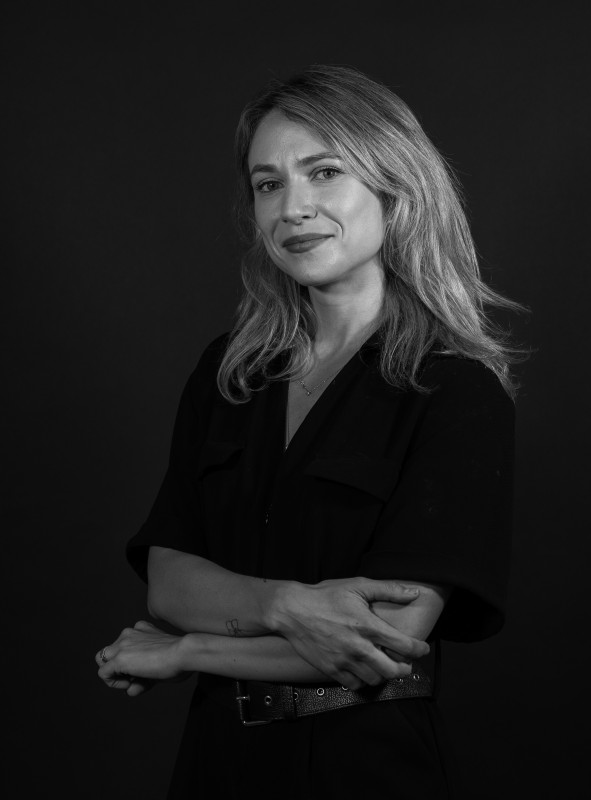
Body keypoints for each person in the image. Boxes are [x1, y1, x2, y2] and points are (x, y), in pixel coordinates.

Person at [95, 64, 521, 799]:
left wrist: (190, 648)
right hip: (217, 767)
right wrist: (284, 607)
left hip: (369, 770)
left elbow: (384, 640)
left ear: (397, 187)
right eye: (268, 184)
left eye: (324, 172)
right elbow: (168, 582)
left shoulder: (456, 392)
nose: (293, 208)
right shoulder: (230, 373)